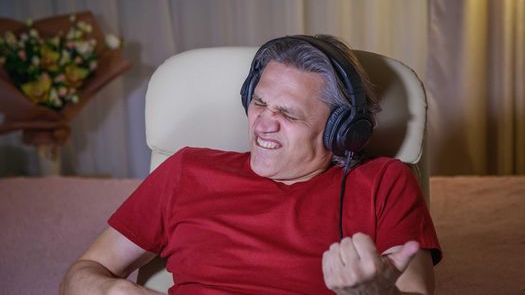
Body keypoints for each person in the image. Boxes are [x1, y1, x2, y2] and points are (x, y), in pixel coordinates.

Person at [61, 34, 441, 295]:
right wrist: (113, 288)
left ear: (341, 131)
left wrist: (375, 294)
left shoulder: (383, 182)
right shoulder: (187, 170)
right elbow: (80, 274)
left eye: (288, 114)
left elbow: (413, 290)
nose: (263, 122)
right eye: (259, 103)